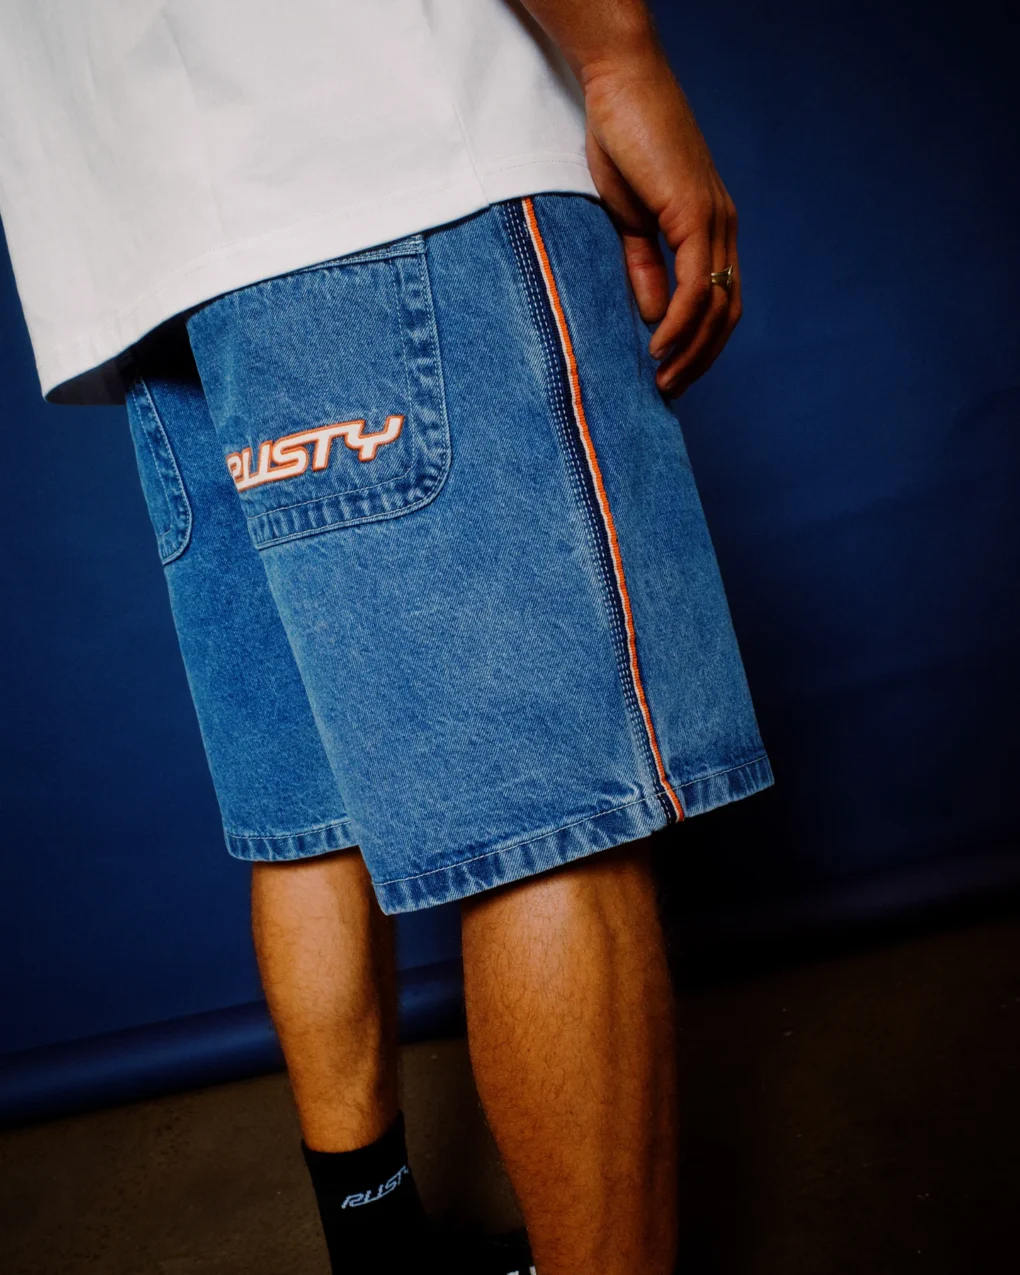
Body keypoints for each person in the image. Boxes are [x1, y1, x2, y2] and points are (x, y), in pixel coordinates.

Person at [0, 2, 773, 1271]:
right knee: (554, 819)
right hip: (389, 149)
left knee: (314, 807)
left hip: (140, 246)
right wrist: (617, 53)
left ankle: (380, 1252)